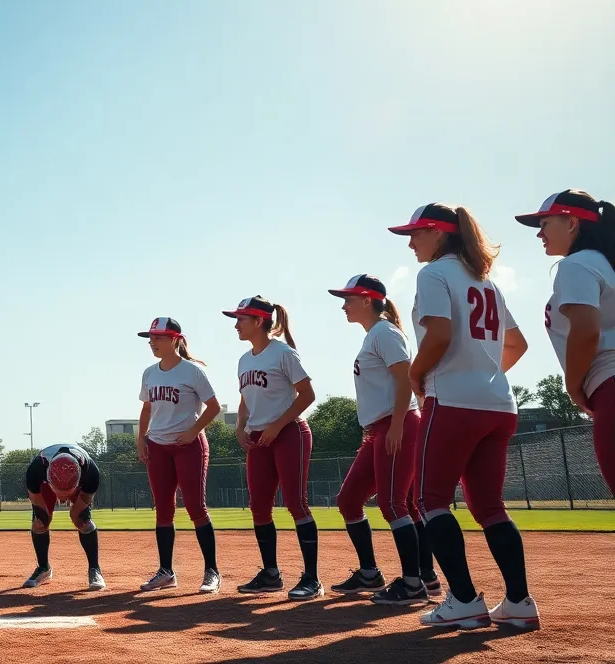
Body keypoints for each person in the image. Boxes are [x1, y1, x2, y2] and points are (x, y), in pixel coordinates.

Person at [389, 203, 536, 630]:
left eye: (416, 233)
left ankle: (465, 600)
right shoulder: (485, 281)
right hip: (498, 405)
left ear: (439, 233)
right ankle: (519, 602)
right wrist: (483, 374)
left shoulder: (433, 274)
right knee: (490, 506)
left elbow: (438, 334)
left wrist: (418, 375)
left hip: (452, 401)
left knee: (430, 500)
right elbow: (518, 345)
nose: (412, 242)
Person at [327, 276, 438, 606]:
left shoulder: (385, 332)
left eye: (348, 299)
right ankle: (374, 574)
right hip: (380, 427)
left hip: (396, 423)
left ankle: (414, 582)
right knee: (349, 500)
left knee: (394, 504)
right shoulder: (375, 335)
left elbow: (406, 380)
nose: (343, 305)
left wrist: (398, 424)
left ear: (366, 300)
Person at [516, 190, 615, 496]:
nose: (540, 233)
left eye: (545, 223)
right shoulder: (606, 263)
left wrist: (574, 388)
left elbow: (586, 332)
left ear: (571, 223)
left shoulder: (576, 264)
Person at [226, 296, 322, 601]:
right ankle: (270, 574)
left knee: (295, 503)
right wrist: (240, 428)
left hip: (289, 433)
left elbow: (308, 395)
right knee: (259, 507)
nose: (236, 324)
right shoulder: (244, 359)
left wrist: (278, 425)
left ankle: (312, 579)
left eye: (241, 319)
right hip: (258, 439)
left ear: (258, 321)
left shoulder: (282, 352)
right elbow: (244, 401)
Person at [134, 318, 222, 594]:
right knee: (163, 510)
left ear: (175, 339)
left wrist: (194, 431)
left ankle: (211, 572)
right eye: (150, 337)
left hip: (188, 445)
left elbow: (213, 407)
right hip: (158, 446)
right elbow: (147, 409)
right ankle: (166, 572)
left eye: (158, 337)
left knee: (196, 508)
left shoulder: (192, 372)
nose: (152, 342)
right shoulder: (150, 373)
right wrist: (141, 439)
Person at [21, 443, 104, 591]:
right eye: (59, 491)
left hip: (78, 486)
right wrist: (44, 516)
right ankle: (43, 568)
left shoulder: (91, 472)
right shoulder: (35, 470)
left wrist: (75, 514)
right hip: (45, 486)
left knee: (83, 521)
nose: (63, 497)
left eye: (67, 491)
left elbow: (85, 498)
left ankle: (94, 569)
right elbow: (35, 497)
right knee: (40, 522)